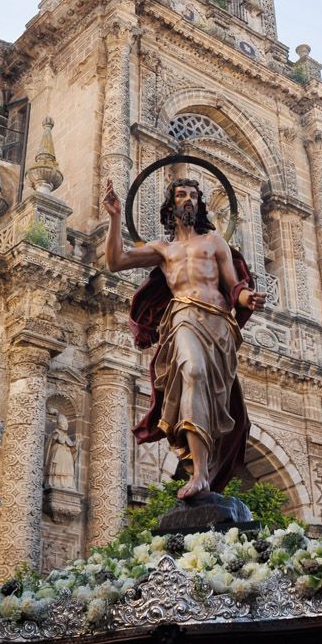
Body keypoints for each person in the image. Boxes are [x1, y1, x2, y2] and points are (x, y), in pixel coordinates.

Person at [103, 176, 266, 499]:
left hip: (219, 325)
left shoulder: (214, 242)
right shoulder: (164, 250)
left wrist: (248, 298)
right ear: (171, 205)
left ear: (199, 204)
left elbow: (234, 286)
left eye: (193, 195)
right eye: (181, 194)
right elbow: (116, 261)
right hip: (183, 316)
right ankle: (200, 473)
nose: (188, 199)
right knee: (192, 371)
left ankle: (203, 470)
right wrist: (115, 217)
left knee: (211, 396)